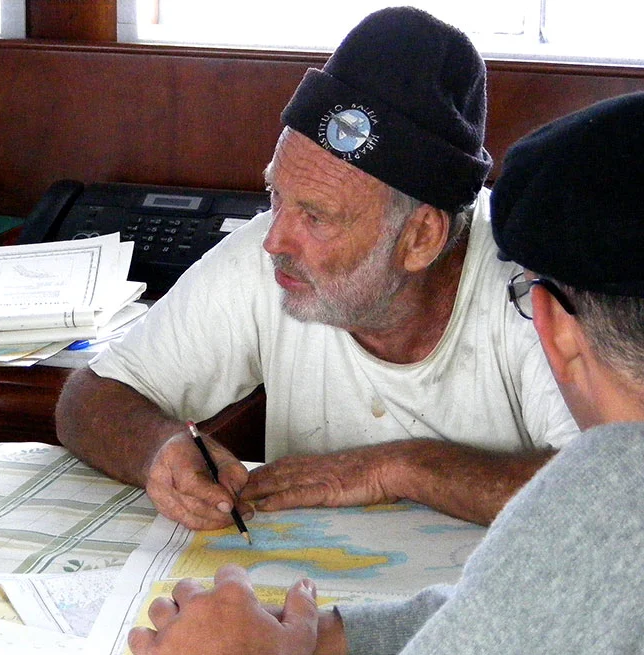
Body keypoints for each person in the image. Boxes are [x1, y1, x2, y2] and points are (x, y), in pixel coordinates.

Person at [118, 91, 644, 655]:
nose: (280, 239)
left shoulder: (610, 497)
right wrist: (339, 639)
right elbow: (551, 608)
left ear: (554, 328)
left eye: (317, 215)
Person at [55, 7, 578, 529]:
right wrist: (157, 448)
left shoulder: (538, 288)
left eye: (316, 217)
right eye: (275, 196)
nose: (275, 239)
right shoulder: (269, 257)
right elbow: (88, 399)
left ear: (420, 238)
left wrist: (399, 469)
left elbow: (614, 492)